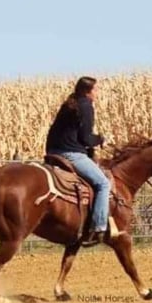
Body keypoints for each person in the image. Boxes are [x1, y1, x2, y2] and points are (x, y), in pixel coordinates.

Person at [45, 76, 111, 243]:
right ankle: (99, 227)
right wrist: (101, 140)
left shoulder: (69, 104)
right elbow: (86, 138)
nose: (98, 93)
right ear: (88, 91)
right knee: (103, 184)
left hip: (54, 152)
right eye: (96, 89)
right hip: (72, 154)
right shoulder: (86, 106)